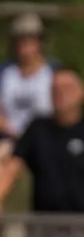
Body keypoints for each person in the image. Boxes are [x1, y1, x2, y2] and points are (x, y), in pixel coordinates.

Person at [0, 70, 84, 214]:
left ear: (82, 93)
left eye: (67, 88)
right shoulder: (38, 128)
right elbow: (13, 166)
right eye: (55, 89)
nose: (60, 93)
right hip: (43, 224)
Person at [0, 13, 55, 154]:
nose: (23, 47)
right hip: (10, 138)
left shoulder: (53, 72)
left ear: (39, 42)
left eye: (28, 41)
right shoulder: (5, 72)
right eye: (19, 41)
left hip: (47, 138)